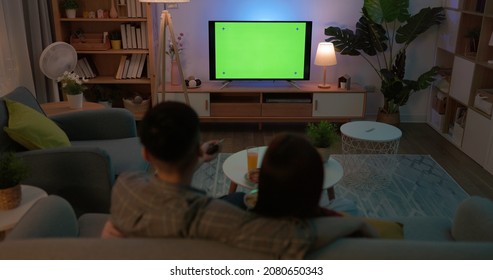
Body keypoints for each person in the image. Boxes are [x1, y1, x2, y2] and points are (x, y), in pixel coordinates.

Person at [103, 101, 379, 259]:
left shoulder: (126, 185)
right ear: (197, 143)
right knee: (239, 202)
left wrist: (196, 160)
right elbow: (297, 238)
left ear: (146, 153)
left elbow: (165, 184)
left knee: (238, 198)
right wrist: (355, 221)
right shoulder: (212, 217)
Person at [251, 133, 403, 239]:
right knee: (346, 204)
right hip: (320, 221)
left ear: (264, 181)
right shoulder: (354, 227)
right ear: (316, 188)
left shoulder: (236, 209)